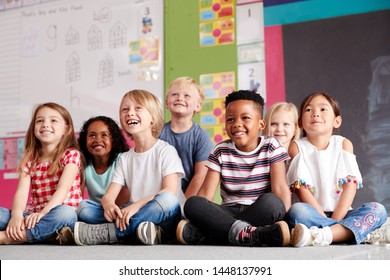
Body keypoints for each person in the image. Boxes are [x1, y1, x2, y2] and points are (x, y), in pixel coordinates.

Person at [176, 90, 292, 247]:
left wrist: (288, 222)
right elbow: (205, 194)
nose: (237, 123)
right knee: (193, 203)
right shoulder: (220, 150)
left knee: (273, 203)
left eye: (245, 118)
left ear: (261, 124)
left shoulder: (271, 146)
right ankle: (257, 234)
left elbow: (280, 187)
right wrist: (198, 212)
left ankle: (208, 235)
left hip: (259, 209)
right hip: (227, 211)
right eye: (230, 119)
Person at [73, 89, 185, 246]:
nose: (130, 113)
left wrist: (136, 206)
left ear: (153, 118)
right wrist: (109, 205)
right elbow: (108, 196)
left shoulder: (166, 151)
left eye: (138, 108)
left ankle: (111, 233)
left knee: (167, 200)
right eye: (125, 109)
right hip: (135, 215)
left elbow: (169, 191)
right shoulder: (124, 158)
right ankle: (140, 231)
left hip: (164, 216)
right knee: (84, 207)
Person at [286, 91, 388, 247]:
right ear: (300, 122)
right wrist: (332, 223)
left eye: (323, 109)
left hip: (344, 213)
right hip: (313, 215)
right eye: (308, 110)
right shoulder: (297, 147)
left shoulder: (344, 144)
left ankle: (323, 235)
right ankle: (350, 232)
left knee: (378, 210)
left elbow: (350, 187)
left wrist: (338, 219)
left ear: (337, 121)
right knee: (297, 212)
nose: (315, 114)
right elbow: (302, 189)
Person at [0, 102, 82, 245]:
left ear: (66, 129)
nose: (45, 124)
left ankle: (10, 237)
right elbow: (21, 193)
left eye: (53, 120)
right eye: (39, 121)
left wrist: (44, 213)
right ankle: (48, 234)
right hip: (33, 216)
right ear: (34, 129)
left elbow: (63, 189)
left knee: (65, 214)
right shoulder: (30, 159)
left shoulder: (71, 155)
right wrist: (16, 216)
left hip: (58, 214)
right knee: (3, 215)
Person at [160, 76, 214, 198]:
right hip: (163, 193)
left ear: (198, 106)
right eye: (174, 94)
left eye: (187, 96)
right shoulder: (158, 133)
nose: (180, 98)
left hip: (189, 196)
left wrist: (183, 206)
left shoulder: (201, 137)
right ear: (167, 103)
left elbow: (200, 176)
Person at [76, 116, 129, 224]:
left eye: (104, 135)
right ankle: (114, 227)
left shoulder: (122, 159)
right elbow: (78, 195)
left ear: (113, 140)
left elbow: (126, 193)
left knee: (134, 212)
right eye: (92, 135)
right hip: (97, 211)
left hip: (122, 208)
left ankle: (108, 226)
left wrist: (110, 209)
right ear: (84, 140)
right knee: (82, 208)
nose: (97, 140)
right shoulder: (83, 164)